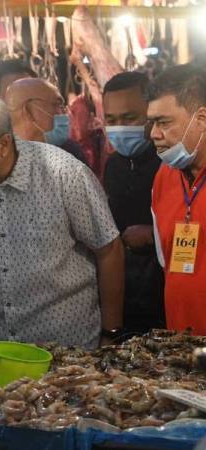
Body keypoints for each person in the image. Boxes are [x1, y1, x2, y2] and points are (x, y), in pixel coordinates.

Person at [0, 93, 124, 351]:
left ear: (4, 144)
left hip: (72, 353)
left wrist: (111, 334)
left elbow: (109, 249)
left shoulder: (62, 173)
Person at [102, 72, 165, 333]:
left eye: (129, 118)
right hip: (126, 296)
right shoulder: (113, 166)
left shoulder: (171, 161)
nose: (120, 127)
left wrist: (154, 234)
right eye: (111, 120)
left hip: (165, 295)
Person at [148, 63, 206, 334]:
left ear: (201, 119)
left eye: (164, 122)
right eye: (152, 123)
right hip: (181, 346)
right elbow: (166, 262)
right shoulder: (164, 176)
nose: (154, 134)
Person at [5, 78, 87, 164]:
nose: (64, 113)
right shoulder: (0, 160)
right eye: (56, 104)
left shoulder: (70, 150)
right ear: (28, 110)